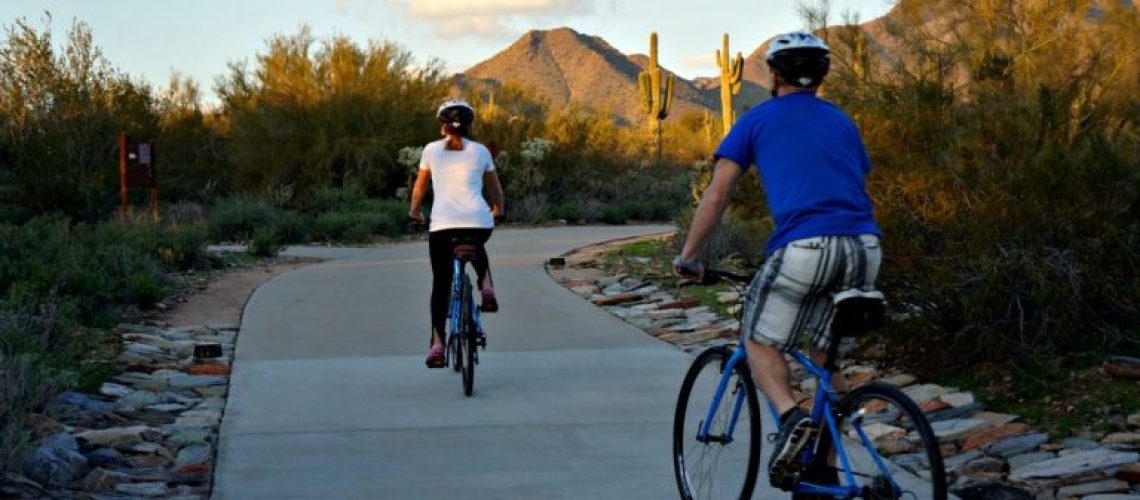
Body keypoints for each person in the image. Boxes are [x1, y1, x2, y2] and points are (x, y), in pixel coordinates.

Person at [673, 31, 883, 491]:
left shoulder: (757, 119)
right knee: (826, 367)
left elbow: (717, 194)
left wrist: (689, 256)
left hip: (805, 247)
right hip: (865, 246)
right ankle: (824, 474)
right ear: (822, 76)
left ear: (772, 74)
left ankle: (791, 417)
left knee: (759, 340)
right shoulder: (842, 120)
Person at [409, 98, 505, 369]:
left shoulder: (430, 150)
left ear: (443, 126)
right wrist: (498, 209)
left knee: (441, 283)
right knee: (475, 238)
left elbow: (419, 190)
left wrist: (414, 213)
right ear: (468, 126)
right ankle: (486, 286)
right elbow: (496, 190)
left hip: (442, 226)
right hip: (478, 222)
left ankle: (438, 345)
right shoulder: (481, 152)